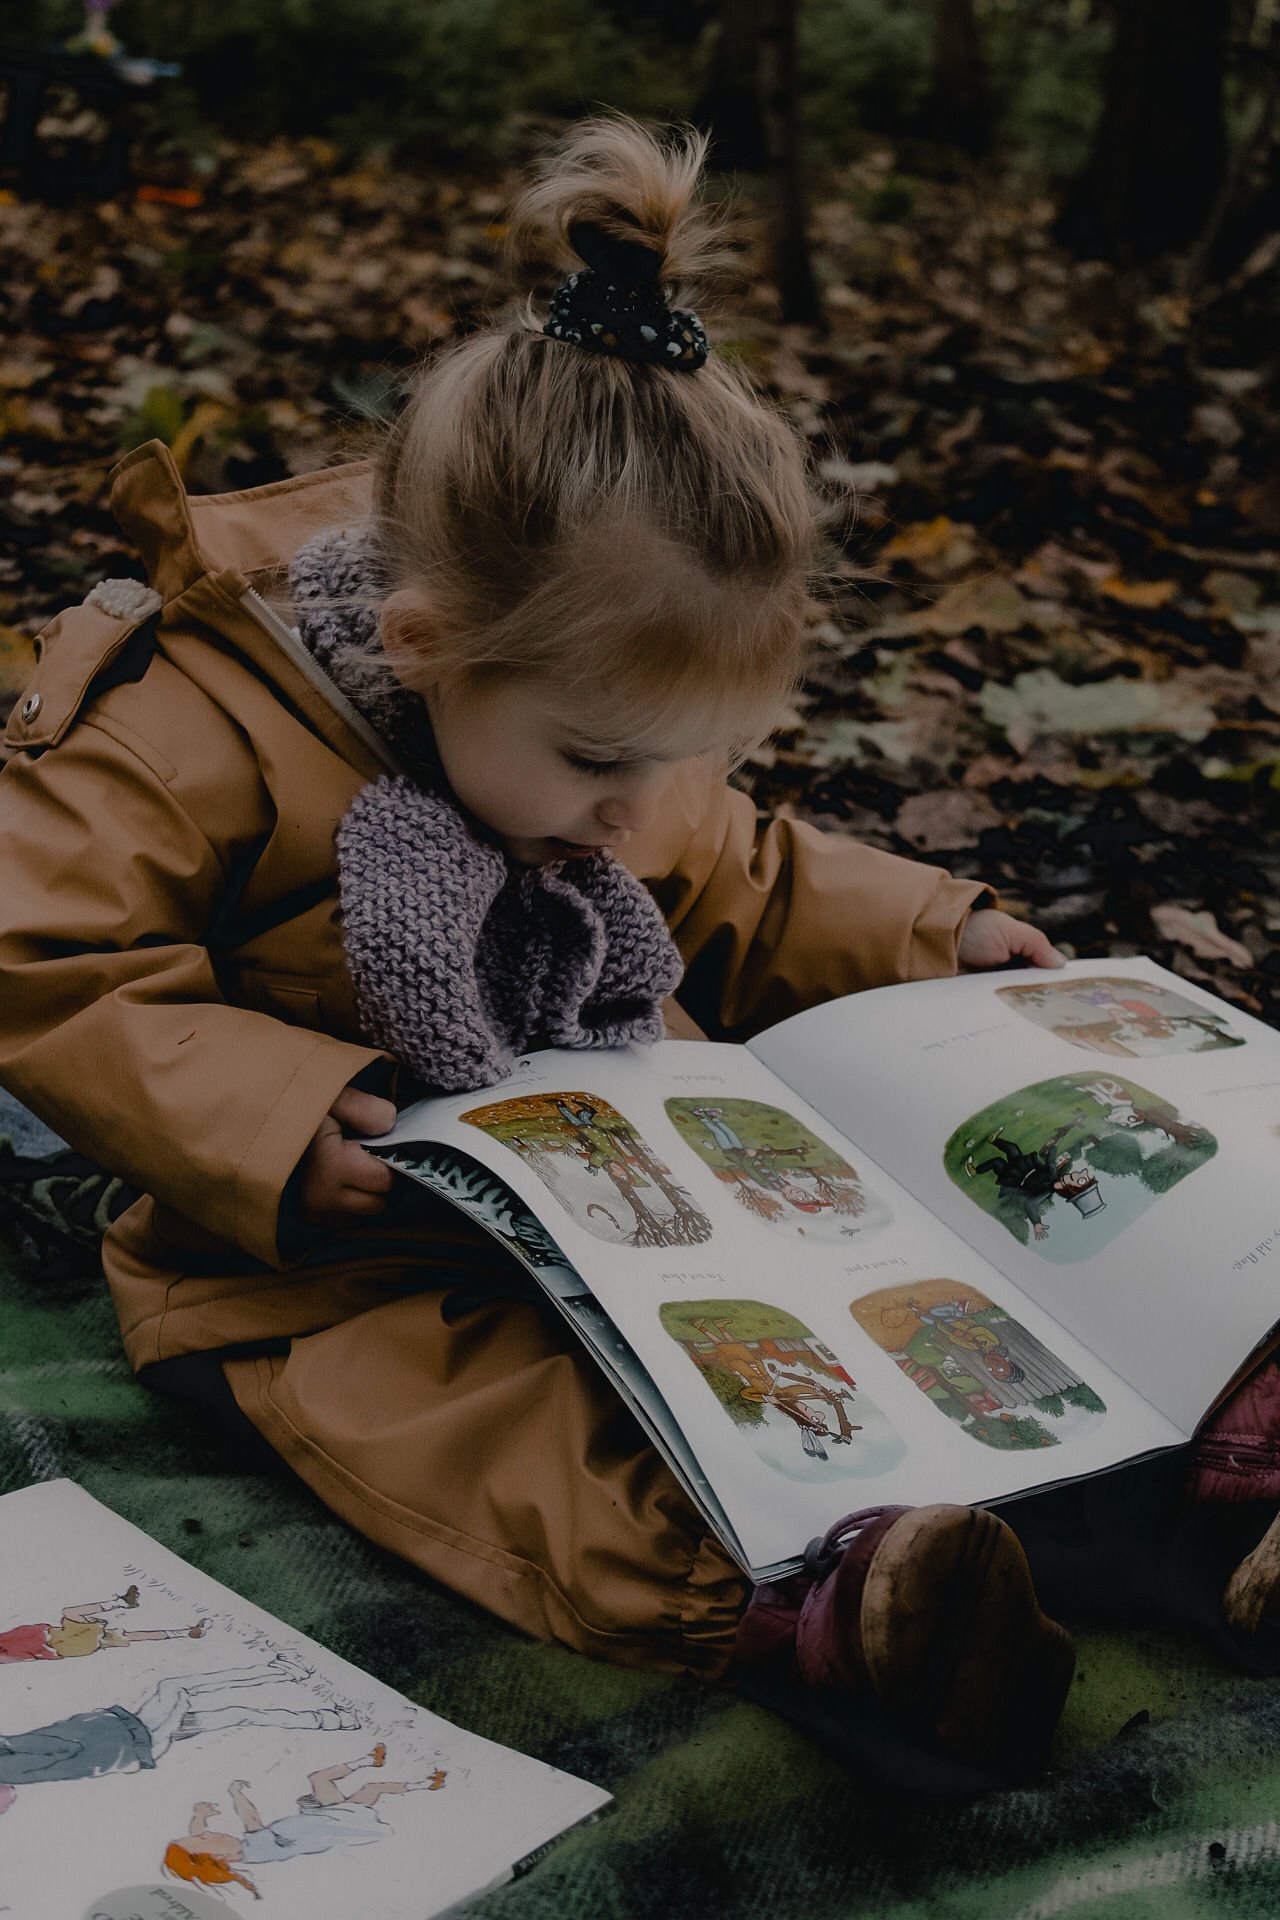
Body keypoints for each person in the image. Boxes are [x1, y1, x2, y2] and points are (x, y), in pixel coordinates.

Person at [0, 115, 1084, 1789]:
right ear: (427, 648)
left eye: (683, 758)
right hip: (305, 1265)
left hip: (636, 1205)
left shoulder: (605, 746)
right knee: (462, 1416)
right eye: (601, 766)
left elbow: (750, 873)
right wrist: (280, 1123)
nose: (640, 808)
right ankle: (817, 1603)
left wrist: (945, 936)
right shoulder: (191, 725)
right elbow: (51, 953)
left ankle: (1204, 1473)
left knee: (920, 1275)